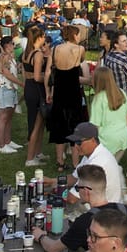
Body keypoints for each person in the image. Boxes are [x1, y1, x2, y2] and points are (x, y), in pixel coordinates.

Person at [34, 164, 124, 252]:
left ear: (86, 191)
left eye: (77, 188)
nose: (77, 192)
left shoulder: (85, 222)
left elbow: (52, 249)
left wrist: (40, 236)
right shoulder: (124, 209)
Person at [46, 24, 87, 172]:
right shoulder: (79, 49)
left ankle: (60, 162)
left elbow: (51, 70)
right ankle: (76, 163)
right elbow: (81, 61)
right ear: (74, 35)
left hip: (59, 91)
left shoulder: (56, 49)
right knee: (75, 125)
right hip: (73, 90)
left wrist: (48, 91)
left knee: (60, 126)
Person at [62, 122, 126, 205]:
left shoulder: (97, 163)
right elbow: (73, 178)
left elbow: (72, 199)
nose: (76, 146)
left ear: (92, 140)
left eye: (79, 142)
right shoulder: (91, 154)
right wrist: (51, 181)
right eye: (74, 142)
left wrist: (52, 192)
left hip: (104, 212)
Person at [102, 31, 127, 160]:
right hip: (126, 100)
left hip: (112, 98)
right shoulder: (124, 60)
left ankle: (109, 158)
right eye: (123, 41)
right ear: (116, 44)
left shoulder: (108, 57)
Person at [90, 66, 127, 162]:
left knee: (103, 170)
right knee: (113, 165)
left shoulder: (98, 99)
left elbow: (95, 125)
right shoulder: (121, 92)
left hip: (106, 140)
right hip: (123, 137)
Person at [21, 26, 50, 167]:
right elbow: (38, 76)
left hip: (28, 87)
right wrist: (48, 76)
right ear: (39, 38)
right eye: (43, 36)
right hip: (36, 89)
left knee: (37, 121)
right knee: (36, 123)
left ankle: (37, 152)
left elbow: (25, 73)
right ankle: (30, 157)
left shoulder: (26, 53)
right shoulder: (37, 54)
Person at [0, 35, 24, 153]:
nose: (14, 45)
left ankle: (8, 141)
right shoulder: (4, 57)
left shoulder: (10, 57)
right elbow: (6, 74)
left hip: (11, 89)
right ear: (7, 45)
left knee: (9, 117)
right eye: (12, 43)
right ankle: (1, 145)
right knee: (3, 117)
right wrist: (21, 84)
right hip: (4, 89)